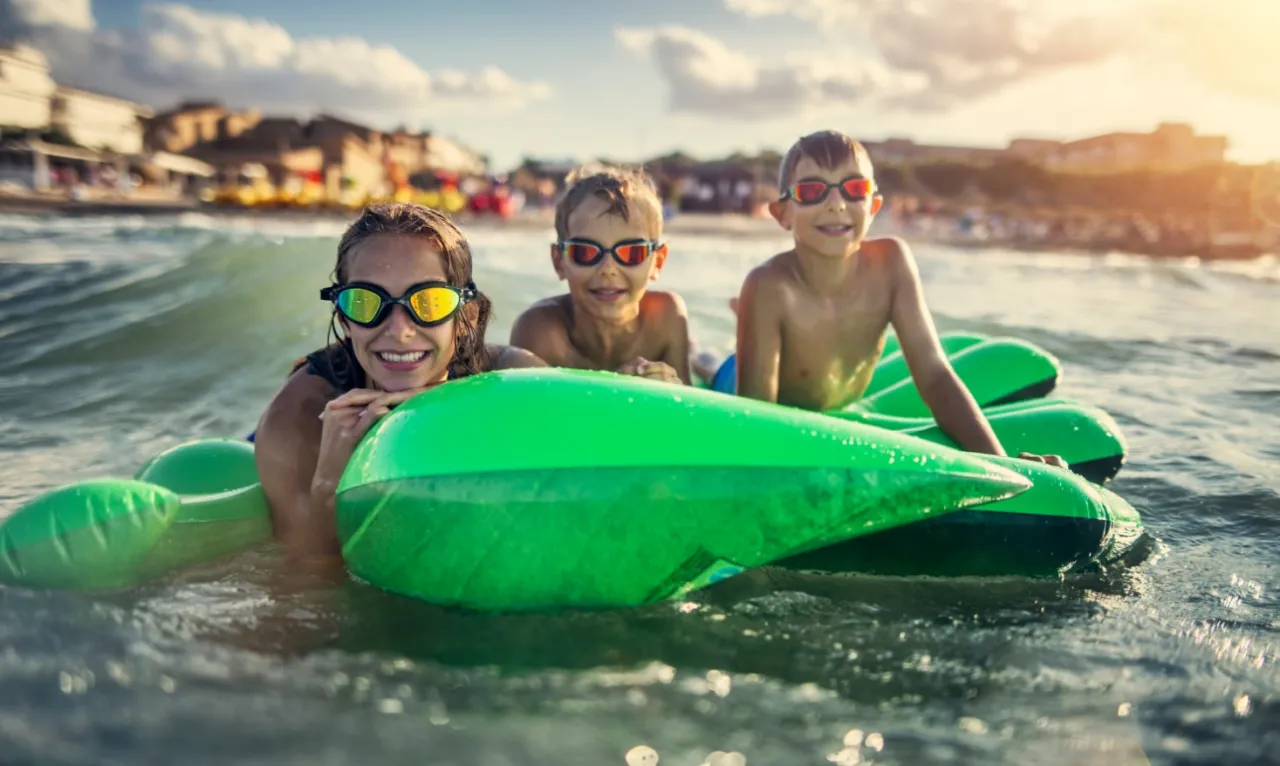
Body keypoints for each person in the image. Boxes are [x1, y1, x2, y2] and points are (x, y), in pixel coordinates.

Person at [732, 130, 1064, 466]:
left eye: (855, 189)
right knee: (719, 367)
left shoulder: (890, 264)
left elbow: (934, 375)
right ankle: (712, 354)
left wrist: (1001, 464)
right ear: (782, 213)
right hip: (753, 390)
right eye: (811, 191)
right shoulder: (769, 287)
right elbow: (756, 419)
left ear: (874, 206)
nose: (836, 204)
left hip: (846, 406)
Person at [253, 202, 546, 557]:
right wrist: (330, 482)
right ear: (345, 319)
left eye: (430, 302)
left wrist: (446, 410)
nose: (399, 330)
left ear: (465, 313)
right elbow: (307, 585)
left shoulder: (509, 378)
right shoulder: (296, 423)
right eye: (365, 303)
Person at [509, 165, 691, 384]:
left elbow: (689, 405)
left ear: (657, 262)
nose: (608, 268)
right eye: (585, 252)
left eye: (632, 252)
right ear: (559, 262)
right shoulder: (541, 332)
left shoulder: (667, 318)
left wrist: (673, 388)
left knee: (703, 361)